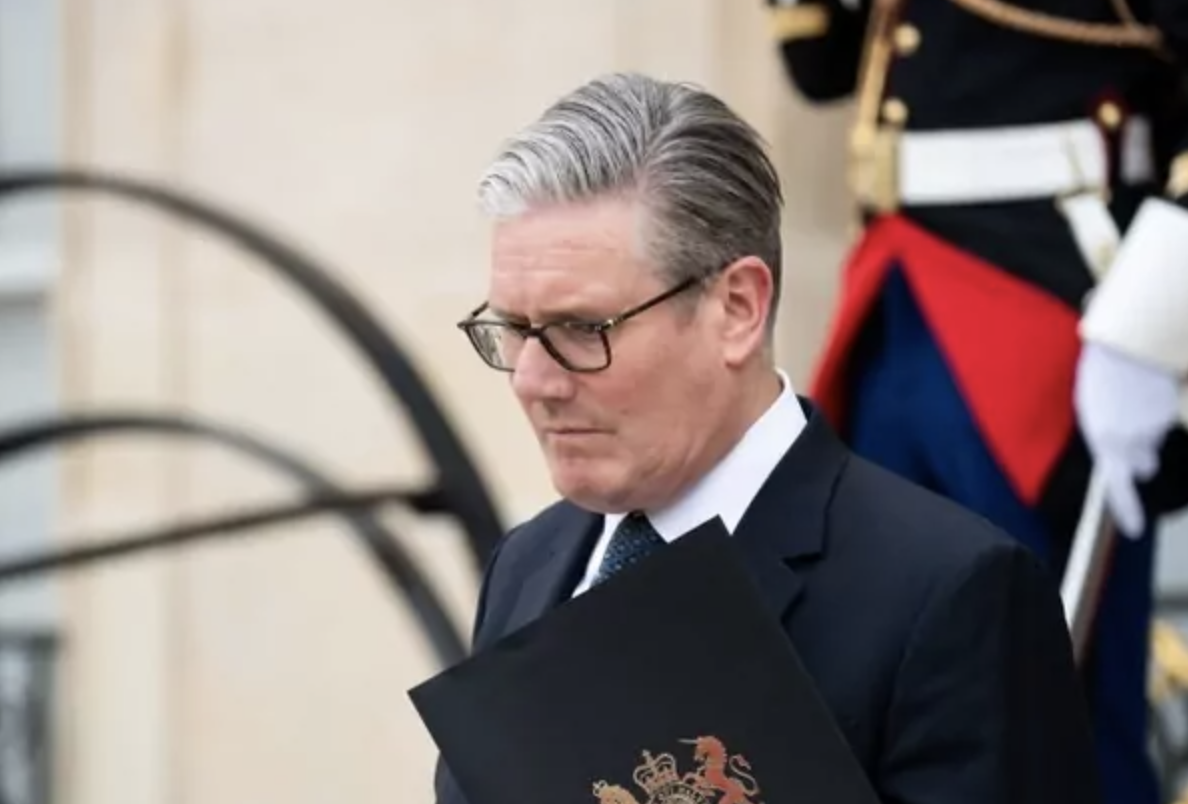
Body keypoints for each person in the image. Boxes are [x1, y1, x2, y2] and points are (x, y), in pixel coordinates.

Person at [436, 72, 1100, 804]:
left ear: (737, 308)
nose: (534, 381)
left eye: (581, 329)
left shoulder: (949, 592)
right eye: (514, 329)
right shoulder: (528, 564)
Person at [763, 1, 1188, 801]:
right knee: (892, 673)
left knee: (1050, 703)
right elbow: (821, 69)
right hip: (898, 289)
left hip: (1050, 308)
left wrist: (1153, 316)